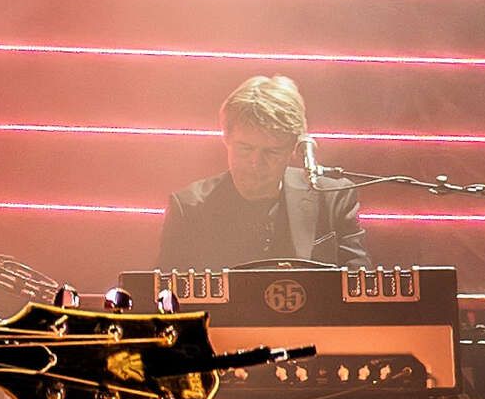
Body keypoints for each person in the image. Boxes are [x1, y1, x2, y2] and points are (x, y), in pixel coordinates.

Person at [158, 73, 368, 269]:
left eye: (271, 152)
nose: (255, 162)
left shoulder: (332, 198)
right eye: (245, 148)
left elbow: (360, 284)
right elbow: (167, 291)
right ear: (226, 139)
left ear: (293, 149)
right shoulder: (190, 207)